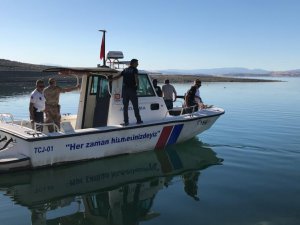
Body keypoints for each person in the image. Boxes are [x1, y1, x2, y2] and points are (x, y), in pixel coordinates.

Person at [113, 59, 143, 126]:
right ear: (133, 63)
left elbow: (118, 77)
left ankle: (126, 122)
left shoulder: (125, 70)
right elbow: (136, 78)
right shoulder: (135, 70)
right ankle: (138, 120)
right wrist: (138, 87)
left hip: (125, 91)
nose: (138, 64)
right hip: (132, 90)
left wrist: (111, 79)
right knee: (135, 106)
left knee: (125, 107)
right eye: (137, 63)